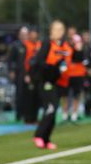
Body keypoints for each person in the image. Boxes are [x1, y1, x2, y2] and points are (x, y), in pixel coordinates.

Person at [31, 20, 72, 150]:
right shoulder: (47, 43)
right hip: (45, 81)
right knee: (50, 108)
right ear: (51, 31)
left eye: (61, 29)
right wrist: (53, 67)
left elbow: (73, 59)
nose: (59, 32)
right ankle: (38, 135)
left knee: (53, 111)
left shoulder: (64, 46)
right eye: (56, 29)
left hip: (57, 82)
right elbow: (39, 61)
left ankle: (46, 139)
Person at [60, 34, 86, 122]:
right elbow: (62, 59)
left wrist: (78, 49)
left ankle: (75, 113)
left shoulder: (79, 49)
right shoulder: (64, 47)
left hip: (77, 75)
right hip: (66, 75)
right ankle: (65, 114)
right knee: (65, 95)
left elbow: (79, 59)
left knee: (76, 95)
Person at [8, 26, 29, 122]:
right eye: (22, 34)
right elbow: (11, 60)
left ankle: (27, 113)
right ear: (19, 35)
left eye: (26, 34)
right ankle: (19, 114)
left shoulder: (31, 45)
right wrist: (12, 71)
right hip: (19, 73)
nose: (24, 36)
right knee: (19, 94)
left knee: (28, 94)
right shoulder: (15, 46)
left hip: (29, 73)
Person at [22, 30, 42, 123]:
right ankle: (28, 118)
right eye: (32, 35)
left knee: (37, 97)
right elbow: (23, 61)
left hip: (38, 73)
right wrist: (26, 74)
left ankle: (35, 117)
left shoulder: (40, 44)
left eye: (35, 35)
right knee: (29, 97)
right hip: (29, 72)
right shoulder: (25, 45)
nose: (34, 37)